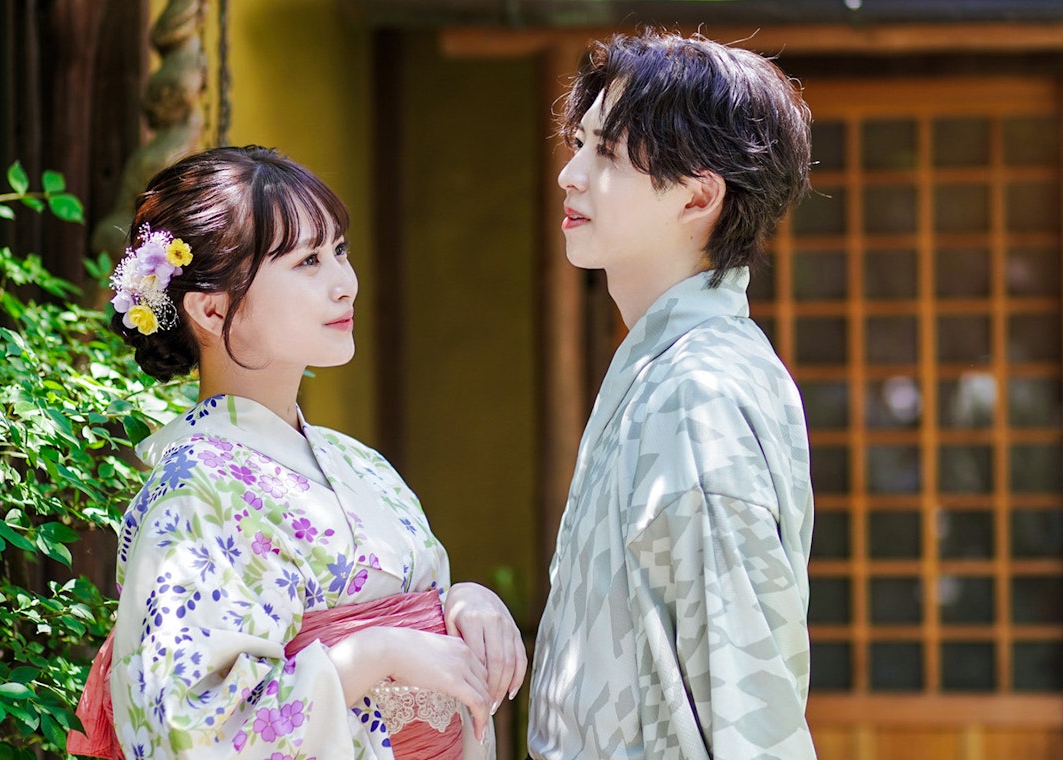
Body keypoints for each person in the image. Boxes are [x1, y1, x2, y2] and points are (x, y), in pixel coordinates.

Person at [67, 145, 526, 760]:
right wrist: (374, 655)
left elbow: (420, 613)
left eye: (339, 251)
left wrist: (466, 604)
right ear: (212, 308)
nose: (344, 284)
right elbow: (189, 733)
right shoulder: (193, 491)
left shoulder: (361, 465)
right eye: (308, 261)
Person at [527, 30, 816, 760]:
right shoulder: (674, 368)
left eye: (606, 154)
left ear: (698, 196)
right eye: (579, 144)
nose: (569, 174)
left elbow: (747, 702)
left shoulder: (698, 392)